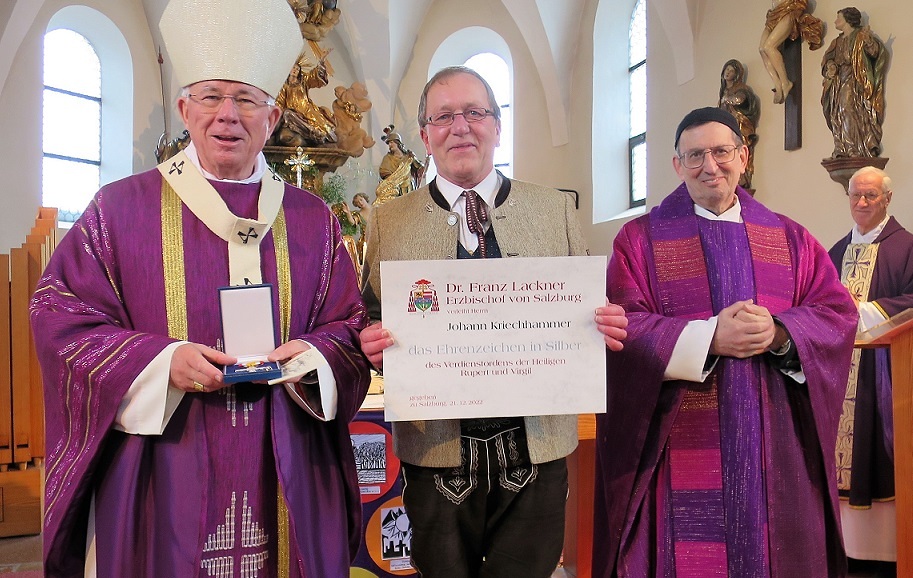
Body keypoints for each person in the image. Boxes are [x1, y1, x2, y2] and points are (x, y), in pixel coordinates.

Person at [31, 0, 371, 575]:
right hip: (164, 460)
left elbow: (349, 325)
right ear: (185, 109)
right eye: (211, 97)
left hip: (284, 455)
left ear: (272, 116)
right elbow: (58, 314)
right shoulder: (120, 210)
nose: (227, 116)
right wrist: (162, 363)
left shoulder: (313, 219)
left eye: (246, 100)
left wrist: (312, 357)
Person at [358, 66, 628, 578]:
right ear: (425, 136)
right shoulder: (388, 221)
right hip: (436, 450)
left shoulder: (553, 209)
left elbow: (589, 304)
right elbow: (369, 313)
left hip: (537, 446)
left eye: (475, 112)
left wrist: (605, 320)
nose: (461, 127)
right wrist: (369, 339)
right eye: (443, 117)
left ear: (497, 125)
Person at [592, 107, 858, 577]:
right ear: (677, 164)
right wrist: (711, 337)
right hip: (678, 441)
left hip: (775, 437)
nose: (709, 166)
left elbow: (836, 315)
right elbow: (622, 326)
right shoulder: (639, 240)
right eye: (694, 155)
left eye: (720, 152)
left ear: (743, 156)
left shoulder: (790, 237)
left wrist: (779, 333)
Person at [829, 166, 913, 575]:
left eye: (871, 196)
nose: (861, 203)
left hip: (885, 375)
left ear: (887, 199)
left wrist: (861, 312)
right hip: (840, 376)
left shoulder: (907, 247)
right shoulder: (833, 253)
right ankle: (843, 552)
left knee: (880, 453)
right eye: (856, 196)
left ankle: (889, 554)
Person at [821, 8, 888, 159]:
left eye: (838, 18)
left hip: (854, 80)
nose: (835, 21)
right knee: (836, 113)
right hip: (838, 82)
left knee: (847, 109)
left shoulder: (859, 36)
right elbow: (827, 60)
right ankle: (841, 147)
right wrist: (830, 66)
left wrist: (869, 41)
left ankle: (853, 149)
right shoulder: (836, 42)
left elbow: (875, 53)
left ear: (848, 20)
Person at [759, 0, 824, 104]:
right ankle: (777, 84)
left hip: (787, 12)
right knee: (762, 49)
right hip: (773, 16)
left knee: (769, 47)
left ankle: (785, 82)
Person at [718, 59, 760, 189]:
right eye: (727, 70)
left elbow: (741, 99)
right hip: (726, 128)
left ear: (737, 74)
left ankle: (741, 178)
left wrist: (728, 100)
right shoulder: (722, 93)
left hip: (739, 124)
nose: (728, 73)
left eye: (732, 71)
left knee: (738, 148)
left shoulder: (741, 88)